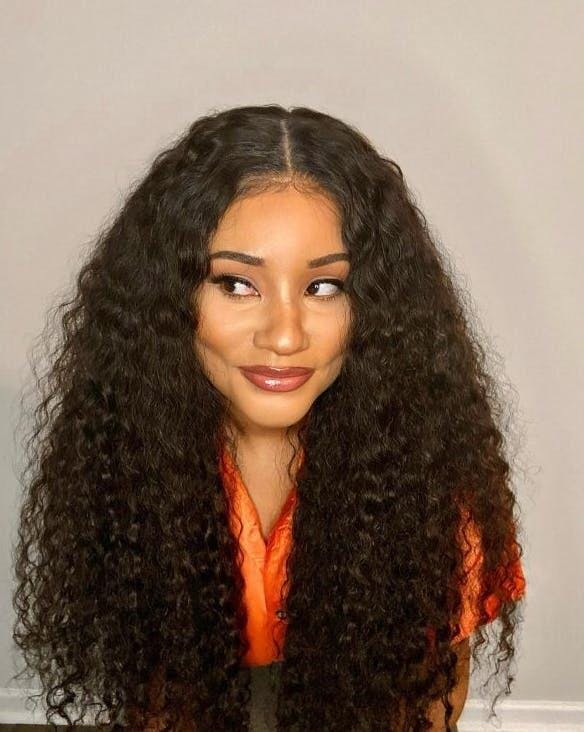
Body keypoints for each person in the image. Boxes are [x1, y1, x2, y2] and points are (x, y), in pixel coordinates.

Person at [11, 104, 526, 731]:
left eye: (324, 287)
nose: (284, 336)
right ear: (166, 298)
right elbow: (158, 703)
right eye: (236, 284)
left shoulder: (432, 487)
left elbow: (429, 708)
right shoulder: (122, 463)